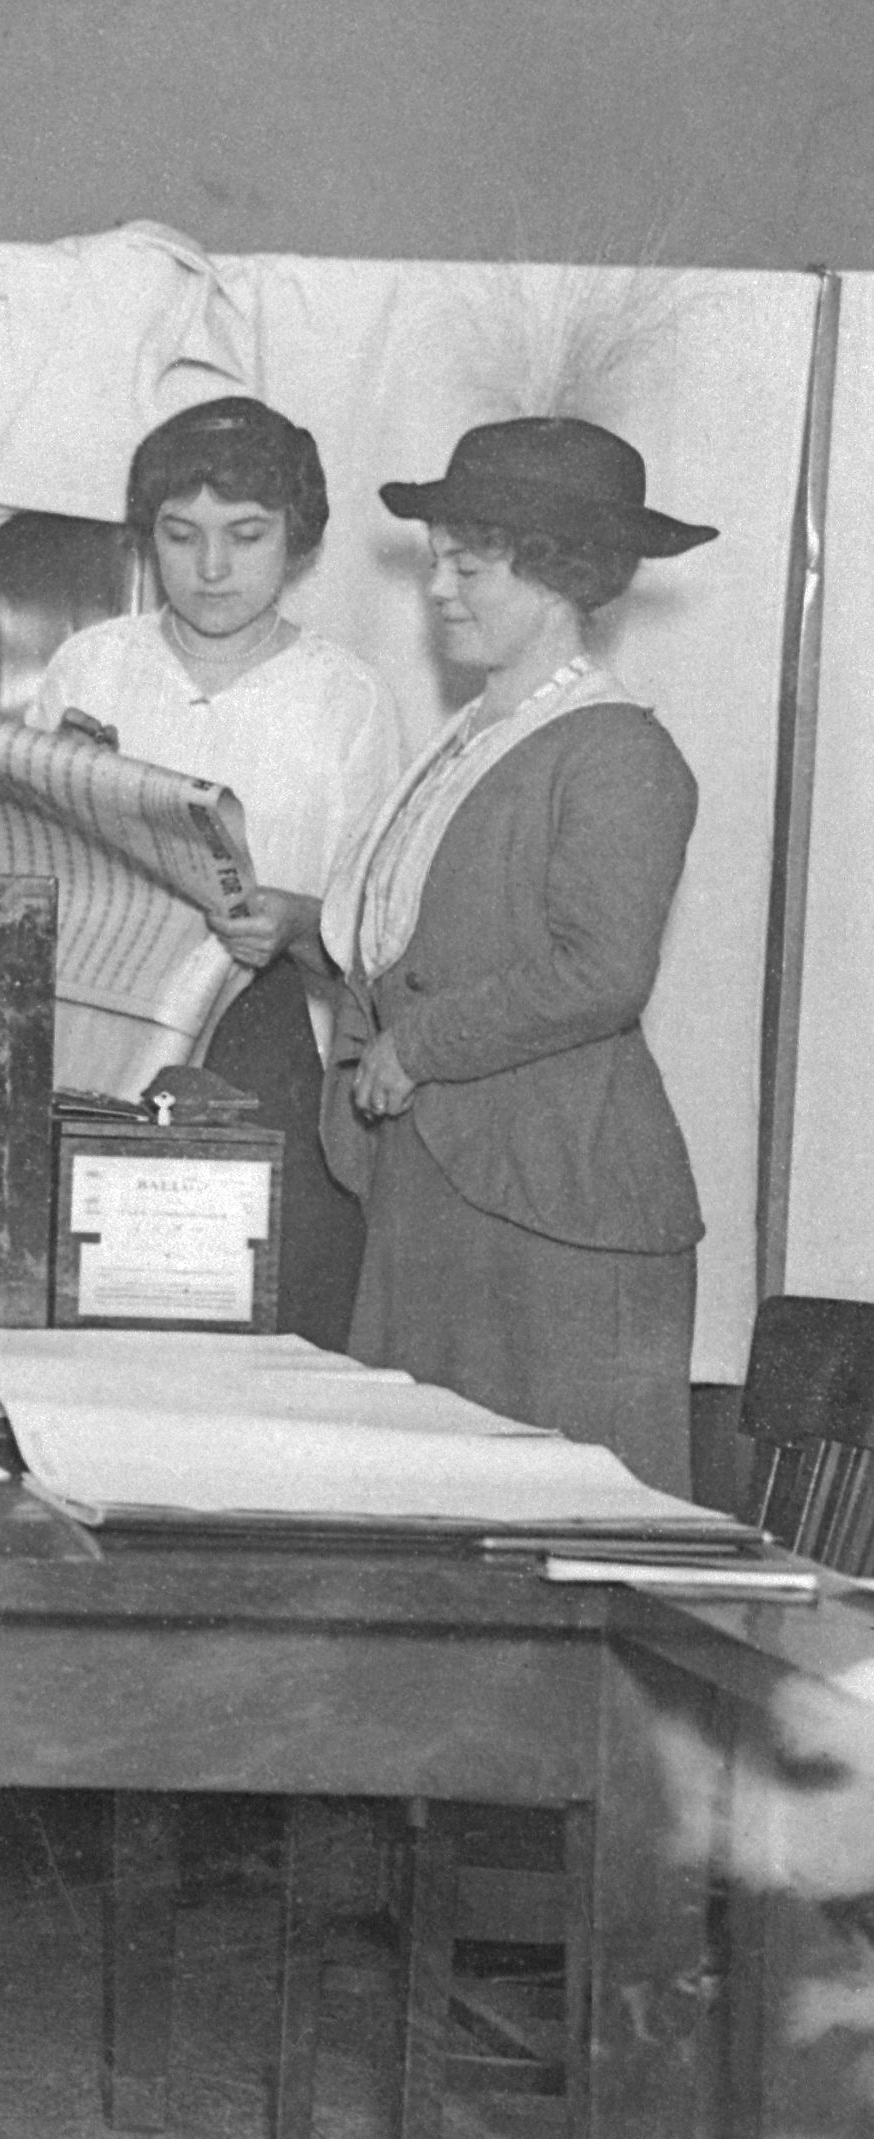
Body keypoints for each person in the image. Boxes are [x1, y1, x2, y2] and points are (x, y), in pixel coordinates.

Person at [323, 416, 715, 1493]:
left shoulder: (615, 750)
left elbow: (600, 971)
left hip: (552, 1213)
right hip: (443, 1187)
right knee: (428, 1525)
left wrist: (420, 1044)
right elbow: (420, 935)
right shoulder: (479, 731)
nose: (437, 588)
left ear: (553, 572)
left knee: (555, 1540)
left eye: (467, 563)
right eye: (436, 560)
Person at [25, 396, 404, 1342]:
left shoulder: (343, 697)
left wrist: (294, 920)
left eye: (245, 534)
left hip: (270, 1051)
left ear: (299, 542)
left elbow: (382, 931)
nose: (210, 568)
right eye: (179, 534)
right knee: (98, 1321)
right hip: (100, 1045)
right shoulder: (90, 667)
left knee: (254, 1327)